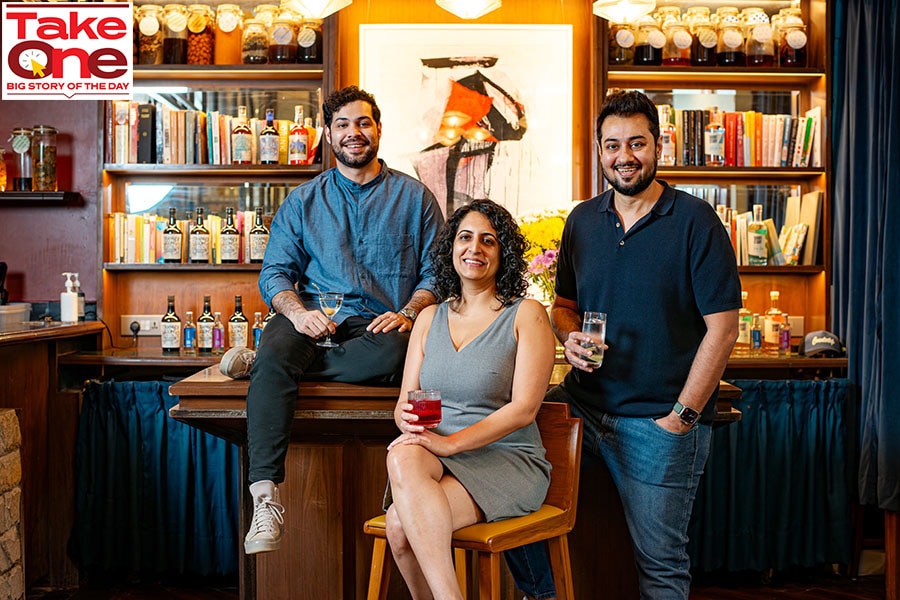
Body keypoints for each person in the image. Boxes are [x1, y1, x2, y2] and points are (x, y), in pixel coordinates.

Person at [505, 90, 742, 600]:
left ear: (658, 145)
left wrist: (682, 417)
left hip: (657, 421)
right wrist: (569, 339)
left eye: (637, 143)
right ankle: (541, 594)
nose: (624, 156)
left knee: (660, 566)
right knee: (503, 487)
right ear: (599, 150)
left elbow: (723, 329)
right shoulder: (582, 222)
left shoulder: (695, 222)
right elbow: (561, 306)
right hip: (582, 408)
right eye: (613, 145)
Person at [218, 85, 445, 555]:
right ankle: (265, 498)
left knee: (406, 353)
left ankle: (262, 364)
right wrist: (298, 315)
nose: (353, 133)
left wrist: (408, 313)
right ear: (328, 134)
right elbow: (275, 273)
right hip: (311, 317)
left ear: (379, 129)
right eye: (342, 125)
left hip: (381, 326)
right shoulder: (303, 201)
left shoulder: (416, 198)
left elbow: (436, 274)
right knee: (281, 348)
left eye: (363, 123)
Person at [383, 199, 557, 599]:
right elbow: (404, 403)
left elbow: (523, 409)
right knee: (401, 454)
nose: (474, 249)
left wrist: (450, 442)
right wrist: (411, 425)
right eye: (465, 238)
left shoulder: (526, 314)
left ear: (503, 253)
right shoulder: (428, 318)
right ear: (451, 249)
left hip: (506, 458)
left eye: (488, 241)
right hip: (438, 457)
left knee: (399, 525)